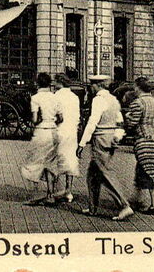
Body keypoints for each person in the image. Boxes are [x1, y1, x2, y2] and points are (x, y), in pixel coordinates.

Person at [77, 75, 134, 222]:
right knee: (92, 175)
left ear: (97, 85)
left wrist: (82, 143)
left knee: (104, 173)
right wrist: (117, 137)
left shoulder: (98, 100)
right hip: (110, 138)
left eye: (92, 85)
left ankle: (124, 205)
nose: (91, 88)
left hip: (100, 138)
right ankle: (92, 207)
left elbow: (92, 122)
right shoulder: (113, 99)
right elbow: (120, 120)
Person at [20, 73, 63, 205]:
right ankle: (50, 195)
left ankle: (34, 195)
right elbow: (61, 118)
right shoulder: (55, 98)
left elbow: (35, 119)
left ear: (38, 83)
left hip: (41, 132)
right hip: (53, 133)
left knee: (34, 162)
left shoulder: (35, 98)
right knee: (50, 164)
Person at [124, 77, 154, 216]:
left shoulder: (138, 103)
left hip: (144, 141)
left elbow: (132, 123)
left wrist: (127, 116)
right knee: (145, 170)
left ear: (138, 87)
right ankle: (137, 198)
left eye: (135, 87)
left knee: (148, 172)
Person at [49, 73, 80, 203]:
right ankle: (68, 191)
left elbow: (54, 116)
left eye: (55, 81)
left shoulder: (56, 96)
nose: (53, 83)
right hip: (72, 132)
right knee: (70, 160)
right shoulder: (74, 97)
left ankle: (54, 190)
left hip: (59, 131)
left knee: (54, 161)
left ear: (59, 82)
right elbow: (77, 117)